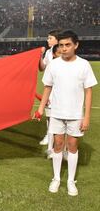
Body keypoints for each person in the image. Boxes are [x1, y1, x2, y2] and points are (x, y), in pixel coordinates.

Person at [35, 30, 97, 196]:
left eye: (68, 45)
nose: (64, 48)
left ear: (76, 45)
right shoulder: (53, 64)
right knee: (57, 145)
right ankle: (56, 178)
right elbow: (47, 87)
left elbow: (89, 91)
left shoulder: (83, 64)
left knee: (72, 146)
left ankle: (70, 181)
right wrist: (41, 108)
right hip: (56, 112)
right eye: (61, 45)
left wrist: (86, 117)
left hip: (76, 115)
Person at [39, 29, 61, 145]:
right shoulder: (48, 52)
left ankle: (61, 140)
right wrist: (39, 56)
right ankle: (48, 135)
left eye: (50, 38)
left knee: (62, 115)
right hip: (50, 89)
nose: (48, 40)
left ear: (57, 40)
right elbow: (42, 68)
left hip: (62, 88)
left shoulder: (63, 51)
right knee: (49, 114)